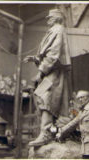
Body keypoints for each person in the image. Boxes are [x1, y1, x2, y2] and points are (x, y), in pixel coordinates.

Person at [24, 8, 71, 147]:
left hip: (54, 70)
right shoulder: (53, 30)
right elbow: (46, 53)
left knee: (46, 97)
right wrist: (35, 58)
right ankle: (47, 131)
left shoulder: (58, 29)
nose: (48, 19)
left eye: (50, 17)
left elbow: (53, 54)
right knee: (41, 96)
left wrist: (40, 71)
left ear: (57, 18)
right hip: (50, 70)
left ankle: (46, 133)